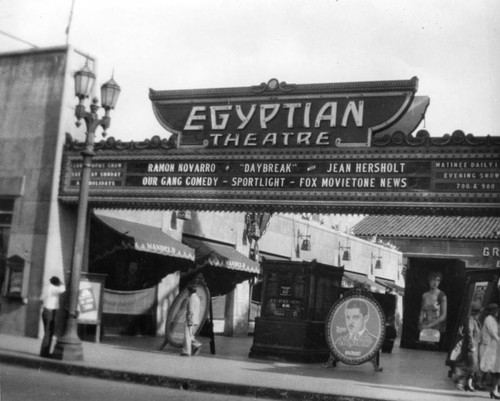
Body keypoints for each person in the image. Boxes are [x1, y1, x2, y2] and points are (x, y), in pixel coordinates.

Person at [452, 302, 482, 391]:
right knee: (472, 365)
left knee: (472, 366)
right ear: (477, 312)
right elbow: (469, 333)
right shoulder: (471, 320)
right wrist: (472, 346)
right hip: (471, 348)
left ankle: (468, 384)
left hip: (475, 347)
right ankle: (460, 382)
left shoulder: (476, 321)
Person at [418, 271, 447, 348]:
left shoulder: (442, 295)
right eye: (433, 279)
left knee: (431, 346)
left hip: (436, 326)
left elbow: (443, 316)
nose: (435, 282)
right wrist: (420, 323)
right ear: (429, 280)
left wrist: (430, 325)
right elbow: (422, 311)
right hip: (425, 324)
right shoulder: (425, 295)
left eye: (438, 280)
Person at [40, 276, 65, 358]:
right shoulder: (53, 288)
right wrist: (61, 283)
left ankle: (45, 351)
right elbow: (62, 289)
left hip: (45, 311)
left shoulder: (47, 288)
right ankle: (44, 353)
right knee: (49, 332)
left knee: (47, 332)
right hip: (50, 312)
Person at [479, 303, 500, 398]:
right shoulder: (489, 319)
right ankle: (482, 384)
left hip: (494, 347)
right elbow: (493, 334)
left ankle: (493, 389)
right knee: (487, 367)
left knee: (493, 368)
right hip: (489, 347)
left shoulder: (494, 320)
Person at [181, 284, 202, 356]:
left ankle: (187, 351)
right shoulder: (197, 298)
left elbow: (191, 310)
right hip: (195, 319)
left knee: (187, 336)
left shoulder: (191, 299)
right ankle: (196, 345)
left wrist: (189, 320)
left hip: (191, 320)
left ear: (189, 291)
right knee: (191, 335)